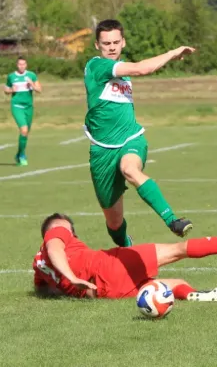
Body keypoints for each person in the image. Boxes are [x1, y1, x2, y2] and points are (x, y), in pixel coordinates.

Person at [83, 19, 196, 247]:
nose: (112, 47)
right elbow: (143, 68)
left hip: (132, 139)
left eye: (116, 42)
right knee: (114, 224)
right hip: (102, 152)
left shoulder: (121, 68)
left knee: (129, 169)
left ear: (123, 42)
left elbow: (137, 69)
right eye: (106, 43)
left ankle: (172, 220)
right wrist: (173, 53)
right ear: (97, 45)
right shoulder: (97, 66)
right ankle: (127, 246)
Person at [32, 213, 217, 301]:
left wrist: (68, 288)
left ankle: (194, 294)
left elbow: (45, 290)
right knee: (178, 250)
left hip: (105, 293)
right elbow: (54, 248)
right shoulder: (56, 232)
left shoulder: (38, 266)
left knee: (169, 286)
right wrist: (72, 277)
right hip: (111, 265)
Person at [4, 56, 42, 166]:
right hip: (16, 106)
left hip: (29, 107)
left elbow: (39, 90)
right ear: (17, 65)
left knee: (26, 133)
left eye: (23, 64)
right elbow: (6, 90)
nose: (22, 66)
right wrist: (11, 90)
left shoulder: (31, 75)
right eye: (20, 64)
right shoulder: (11, 76)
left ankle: (19, 154)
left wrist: (33, 85)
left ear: (26, 65)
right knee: (24, 130)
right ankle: (22, 156)